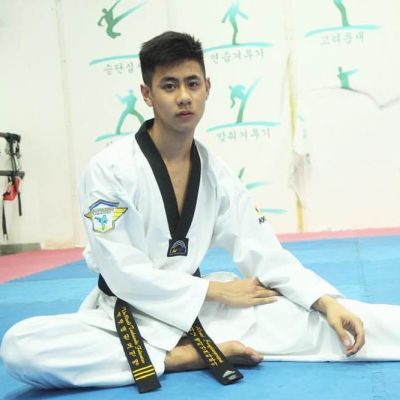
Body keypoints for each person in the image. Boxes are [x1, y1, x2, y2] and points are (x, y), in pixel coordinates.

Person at [2, 31, 400, 392]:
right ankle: (181, 358)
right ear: (147, 94)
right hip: (126, 317)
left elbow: (263, 252)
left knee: (348, 324)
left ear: (207, 88)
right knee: (21, 348)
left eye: (192, 83)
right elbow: (121, 271)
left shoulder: (216, 173)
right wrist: (214, 290)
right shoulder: (109, 170)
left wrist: (325, 302)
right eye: (169, 85)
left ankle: (180, 352)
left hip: (206, 313)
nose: (183, 97)